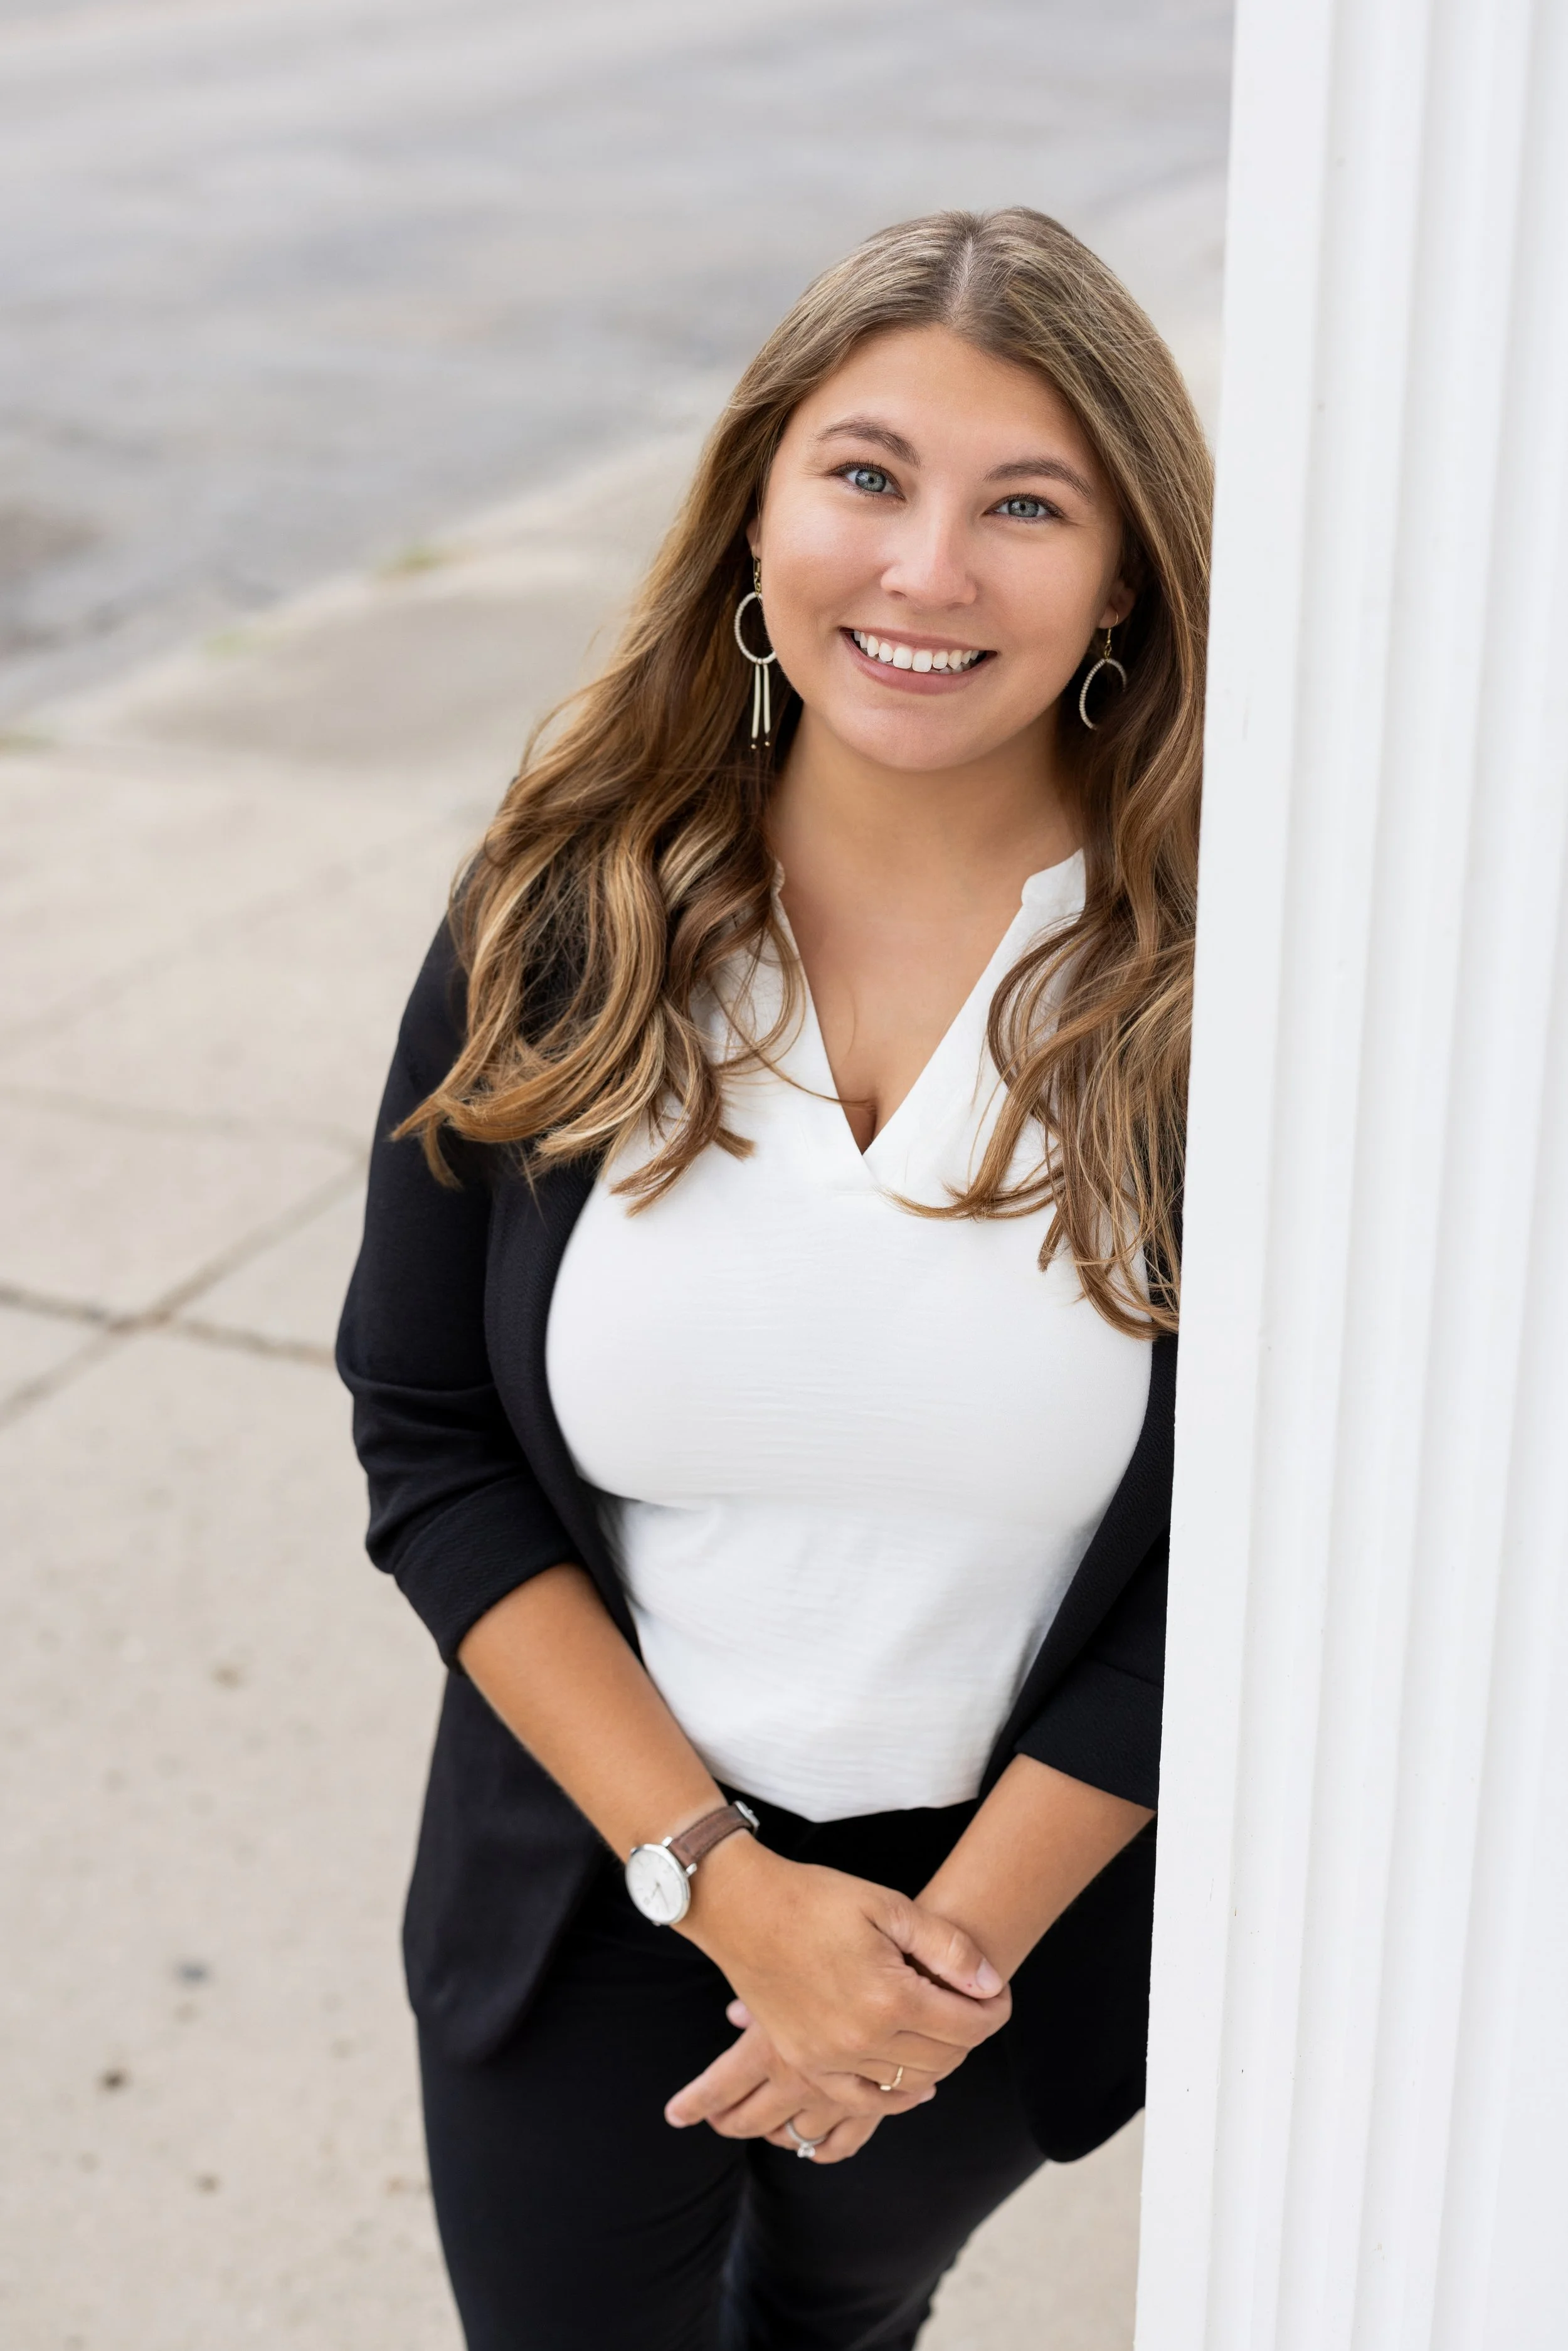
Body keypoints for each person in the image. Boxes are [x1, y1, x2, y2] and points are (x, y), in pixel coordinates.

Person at [337, 205, 1209, 2351]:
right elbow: (427, 1429)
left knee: (833, 2308)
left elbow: (1244, 1541)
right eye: (864, 474)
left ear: (1121, 579)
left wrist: (920, 1978)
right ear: (752, 512)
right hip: (605, 1863)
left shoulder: (1219, 988)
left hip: (1011, 1911)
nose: (925, 572)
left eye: (1026, 505)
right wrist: (722, 1888)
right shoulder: (572, 902)